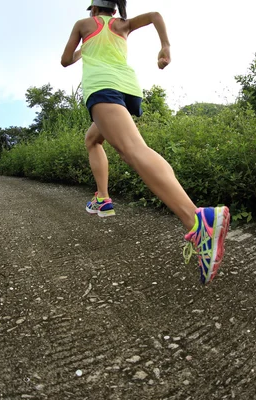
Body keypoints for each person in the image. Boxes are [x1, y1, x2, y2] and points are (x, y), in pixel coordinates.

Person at [61, 0, 230, 284]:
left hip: (102, 90)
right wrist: (165, 47)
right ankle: (102, 198)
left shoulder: (83, 25)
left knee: (133, 151)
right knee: (93, 139)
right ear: (113, 9)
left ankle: (198, 220)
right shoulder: (121, 25)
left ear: (92, 9)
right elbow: (154, 15)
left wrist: (83, 49)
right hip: (126, 90)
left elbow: (66, 60)